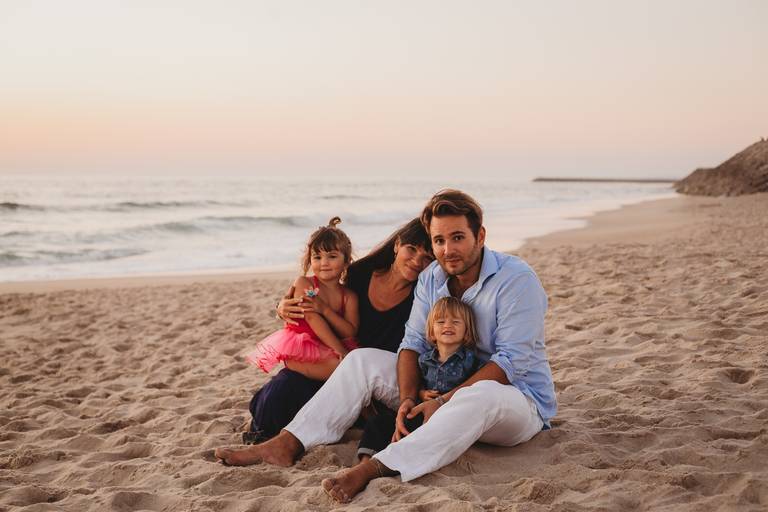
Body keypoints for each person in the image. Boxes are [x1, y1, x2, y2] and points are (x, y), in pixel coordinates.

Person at [215, 189, 556, 505]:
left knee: (479, 395)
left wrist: (442, 400)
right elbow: (411, 344)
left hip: (514, 400)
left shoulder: (515, 279)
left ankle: (374, 467)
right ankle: (287, 444)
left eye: (457, 238)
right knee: (362, 360)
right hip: (437, 386)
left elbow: (511, 363)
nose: (447, 250)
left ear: (479, 236)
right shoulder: (432, 277)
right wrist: (408, 397)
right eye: (439, 240)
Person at [242, 218, 434, 443]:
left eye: (427, 257)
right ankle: (260, 431)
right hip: (329, 357)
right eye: (411, 249)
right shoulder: (361, 273)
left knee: (368, 415)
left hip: (373, 378)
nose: (416, 261)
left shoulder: (423, 297)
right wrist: (281, 307)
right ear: (397, 245)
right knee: (283, 390)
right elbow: (317, 300)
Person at [356, 296, 478, 460]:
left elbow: (476, 388)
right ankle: (364, 461)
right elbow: (418, 382)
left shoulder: (470, 361)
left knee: (412, 431)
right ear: (432, 332)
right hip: (423, 411)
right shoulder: (424, 360)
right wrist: (421, 393)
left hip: (450, 416)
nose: (448, 325)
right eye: (441, 322)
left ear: (466, 332)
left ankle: (389, 461)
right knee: (377, 422)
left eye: (456, 322)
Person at [244, 217, 359, 381]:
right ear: (310, 260)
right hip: (301, 349)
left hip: (331, 347)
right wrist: (341, 351)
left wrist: (325, 310)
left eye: (332, 256)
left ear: (346, 261)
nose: (324, 263)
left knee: (355, 368)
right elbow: (311, 317)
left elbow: (349, 332)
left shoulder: (348, 296)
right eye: (317, 257)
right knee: (346, 370)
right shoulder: (305, 283)